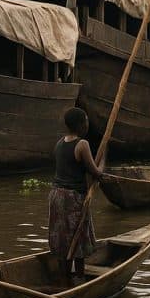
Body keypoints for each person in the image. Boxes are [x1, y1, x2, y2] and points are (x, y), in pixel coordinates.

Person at [49, 107, 106, 287]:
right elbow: (96, 173)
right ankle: (79, 277)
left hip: (56, 196)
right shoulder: (82, 144)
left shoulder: (59, 143)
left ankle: (64, 277)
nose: (88, 124)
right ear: (81, 124)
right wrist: (104, 158)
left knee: (62, 236)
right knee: (78, 234)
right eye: (87, 121)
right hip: (73, 197)